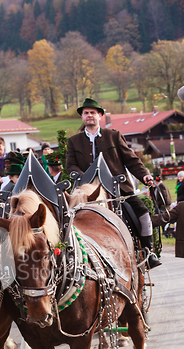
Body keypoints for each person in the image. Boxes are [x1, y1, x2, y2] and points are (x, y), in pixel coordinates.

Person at [66, 97, 161, 269]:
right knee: (65, 216)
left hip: (118, 189)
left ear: (100, 116)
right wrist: (83, 175)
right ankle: (68, 253)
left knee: (144, 213)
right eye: (86, 113)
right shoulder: (74, 141)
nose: (89, 115)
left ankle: (148, 251)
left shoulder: (114, 136)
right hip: (86, 191)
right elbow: (70, 164)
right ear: (82, 117)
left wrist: (145, 176)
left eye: (92, 113)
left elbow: (131, 160)